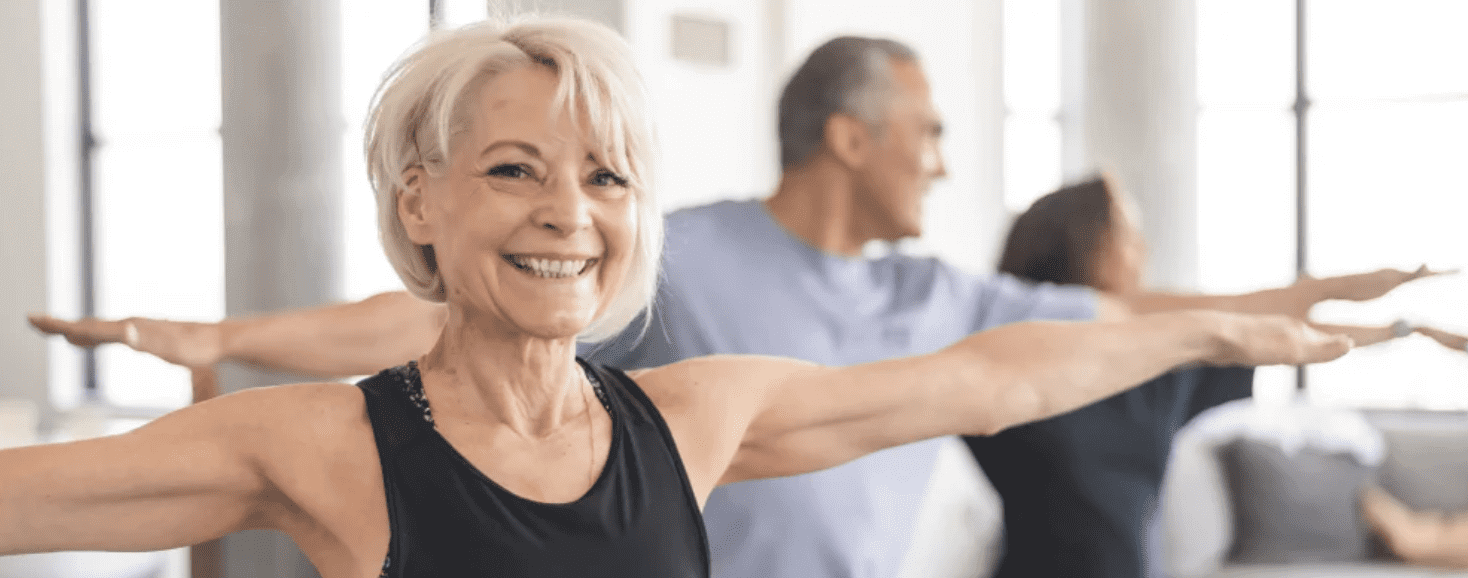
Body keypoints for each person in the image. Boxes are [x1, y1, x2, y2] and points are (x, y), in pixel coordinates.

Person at [23, 33, 1410, 578]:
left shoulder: (691, 416)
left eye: (606, 173)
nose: (571, 208)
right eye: (515, 169)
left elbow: (988, 375)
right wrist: (222, 343)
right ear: (420, 203)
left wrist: (1222, 330)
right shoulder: (328, 443)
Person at [964, 174, 1461, 578]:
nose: (1143, 249)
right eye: (1126, 233)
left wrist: (1403, 328)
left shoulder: (1163, 367)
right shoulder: (1002, 359)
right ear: (1082, 245)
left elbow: (1270, 329)